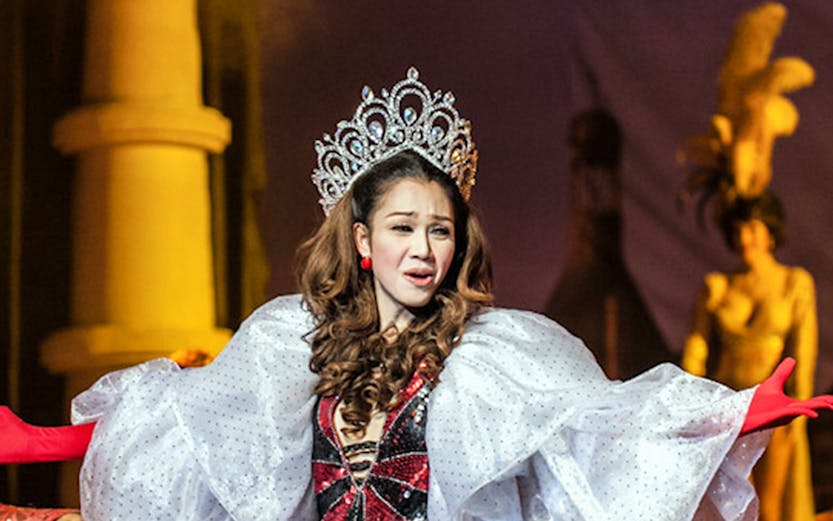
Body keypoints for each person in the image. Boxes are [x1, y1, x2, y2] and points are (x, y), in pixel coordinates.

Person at [1, 67, 832, 521]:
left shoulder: (496, 352)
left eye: (440, 228)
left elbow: (602, 423)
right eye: (403, 227)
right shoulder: (291, 338)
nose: (425, 248)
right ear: (363, 240)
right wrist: (47, 441)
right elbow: (192, 419)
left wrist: (730, 413)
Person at [681, 191, 818, 521]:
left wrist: (798, 410)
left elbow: (803, 353)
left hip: (774, 410)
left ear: (770, 231)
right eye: (739, 230)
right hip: (730, 408)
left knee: (771, 507)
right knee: (736, 507)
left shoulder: (794, 284)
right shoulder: (718, 286)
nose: (745, 238)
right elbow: (695, 352)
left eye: (753, 228)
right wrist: (690, 404)